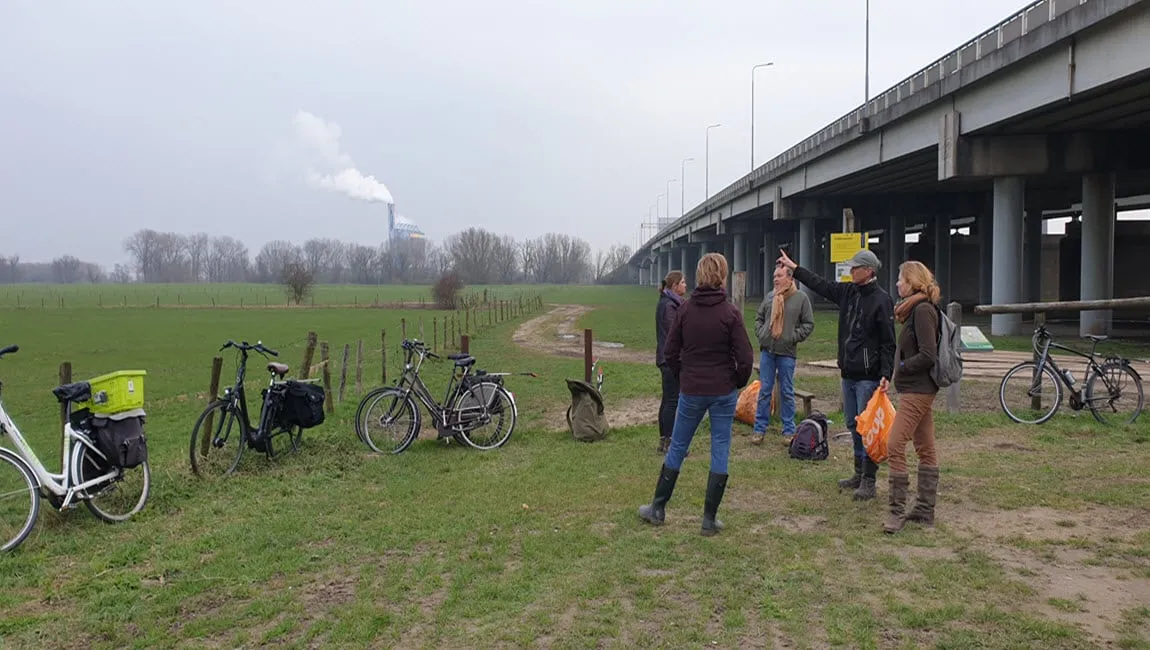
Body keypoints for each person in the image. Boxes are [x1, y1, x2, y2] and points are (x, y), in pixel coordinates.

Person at [638, 253, 754, 536]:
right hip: (723, 391)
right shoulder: (730, 313)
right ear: (722, 277)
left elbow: (670, 352)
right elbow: (746, 357)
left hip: (691, 390)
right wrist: (735, 382)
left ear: (700, 275)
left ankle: (658, 507)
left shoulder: (685, 310)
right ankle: (708, 519)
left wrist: (684, 376)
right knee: (720, 448)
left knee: (678, 445)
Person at [778, 247, 895, 501]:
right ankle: (857, 472)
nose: (851, 271)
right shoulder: (849, 292)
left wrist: (886, 373)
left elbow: (888, 341)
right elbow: (820, 284)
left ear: (869, 271)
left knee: (866, 429)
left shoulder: (881, 299)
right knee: (853, 424)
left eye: (855, 267)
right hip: (849, 373)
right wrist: (795, 269)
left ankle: (869, 480)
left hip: (868, 375)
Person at [883, 261, 941, 534]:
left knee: (894, 444)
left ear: (913, 282)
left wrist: (903, 367)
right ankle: (924, 509)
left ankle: (896, 513)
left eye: (900, 279)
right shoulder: (914, 310)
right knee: (925, 447)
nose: (897, 284)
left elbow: (929, 355)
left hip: (918, 390)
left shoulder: (923, 311)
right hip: (916, 388)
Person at [752, 264, 815, 444]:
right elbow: (759, 318)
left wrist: (792, 337)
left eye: (779, 276)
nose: (775, 279)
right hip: (767, 351)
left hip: (787, 352)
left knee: (787, 391)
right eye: (774, 276)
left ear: (790, 278)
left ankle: (789, 430)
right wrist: (762, 333)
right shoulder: (770, 297)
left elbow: (808, 324)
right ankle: (759, 429)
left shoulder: (800, 298)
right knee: (764, 391)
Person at [654, 270, 687, 453]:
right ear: (674, 286)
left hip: (665, 358)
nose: (685, 285)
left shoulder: (667, 303)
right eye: (682, 282)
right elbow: (676, 333)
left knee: (667, 399)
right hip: (670, 360)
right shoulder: (669, 306)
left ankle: (664, 440)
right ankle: (670, 442)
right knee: (672, 401)